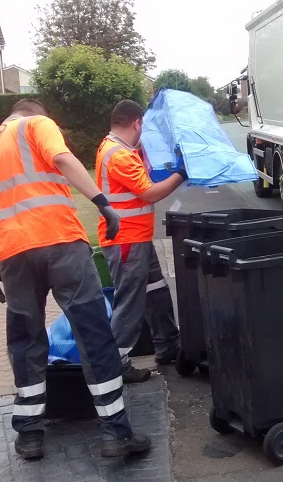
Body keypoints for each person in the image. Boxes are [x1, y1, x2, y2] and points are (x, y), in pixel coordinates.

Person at [0, 99, 151, 460]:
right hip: (61, 245)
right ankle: (116, 432)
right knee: (93, 334)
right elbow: (63, 159)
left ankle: (31, 435)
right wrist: (103, 203)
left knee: (26, 340)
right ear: (37, 112)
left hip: (13, 256)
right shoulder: (36, 124)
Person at [96, 100, 185, 384]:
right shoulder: (119, 155)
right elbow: (150, 193)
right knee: (131, 302)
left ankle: (169, 345)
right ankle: (117, 363)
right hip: (126, 241)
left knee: (156, 292)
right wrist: (182, 173)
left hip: (136, 239)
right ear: (137, 123)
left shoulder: (115, 149)